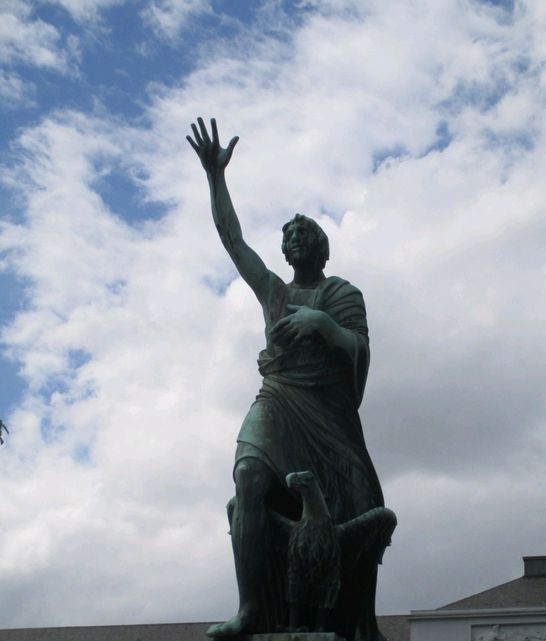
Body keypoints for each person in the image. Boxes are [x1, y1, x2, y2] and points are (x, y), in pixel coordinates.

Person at [187, 118, 389, 641]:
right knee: (248, 478)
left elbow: (360, 350)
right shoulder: (274, 293)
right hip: (278, 397)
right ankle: (251, 609)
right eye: (289, 236)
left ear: (321, 248)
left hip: (327, 416)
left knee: (354, 505)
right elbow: (233, 241)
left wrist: (324, 325)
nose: (295, 239)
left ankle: (341, 617)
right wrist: (215, 178)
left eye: (304, 234)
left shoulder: (342, 293)